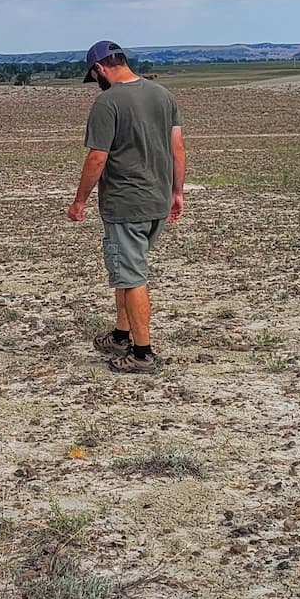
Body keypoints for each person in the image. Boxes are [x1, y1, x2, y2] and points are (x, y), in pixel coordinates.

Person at [65, 41, 184, 374]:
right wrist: (177, 192)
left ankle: (142, 354)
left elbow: (97, 157)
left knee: (132, 277)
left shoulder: (107, 103)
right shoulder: (163, 95)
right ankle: (120, 336)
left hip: (126, 204)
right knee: (126, 270)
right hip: (157, 201)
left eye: (94, 75)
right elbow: (178, 149)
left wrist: (79, 201)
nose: (96, 81)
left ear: (100, 68)